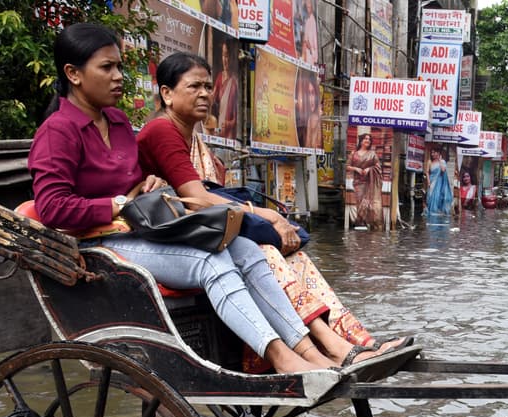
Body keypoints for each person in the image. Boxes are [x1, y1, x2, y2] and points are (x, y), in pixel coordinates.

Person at [29, 23, 339, 375]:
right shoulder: (57, 131)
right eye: (106, 67)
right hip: (100, 242)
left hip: (141, 230)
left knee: (246, 250)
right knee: (212, 262)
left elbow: (131, 181)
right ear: (73, 74)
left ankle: (306, 351)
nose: (118, 76)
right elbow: (52, 208)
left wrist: (145, 183)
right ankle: (281, 358)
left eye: (119, 66)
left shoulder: (116, 122)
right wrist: (116, 204)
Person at [136, 52, 404, 365]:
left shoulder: (192, 137)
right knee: (267, 252)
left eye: (208, 87)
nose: (205, 94)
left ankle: (352, 339)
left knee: (295, 257)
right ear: (167, 93)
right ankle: (328, 347)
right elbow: (197, 196)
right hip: (174, 240)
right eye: (194, 86)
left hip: (204, 232)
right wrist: (268, 214)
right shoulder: (161, 131)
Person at [346, 129, 384, 229]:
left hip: (369, 182)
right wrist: (356, 169)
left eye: (369, 139)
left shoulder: (372, 154)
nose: (367, 140)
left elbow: (378, 167)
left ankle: (370, 223)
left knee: (369, 203)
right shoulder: (354, 153)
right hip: (358, 183)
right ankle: (360, 222)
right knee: (360, 202)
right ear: (361, 140)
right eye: (365, 138)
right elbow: (347, 166)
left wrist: (369, 169)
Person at [211, 35, 238, 140]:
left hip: (230, 132)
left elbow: (236, 119)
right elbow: (213, 98)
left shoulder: (234, 82)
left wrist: (228, 124)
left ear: (232, 58)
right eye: (223, 55)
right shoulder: (219, 77)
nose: (225, 60)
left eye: (227, 56)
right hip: (219, 127)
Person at [295, 70, 322, 150]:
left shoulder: (316, 118)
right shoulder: (299, 122)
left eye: (312, 93)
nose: (311, 99)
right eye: (308, 93)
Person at [426, 146, 452, 216]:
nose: (432, 154)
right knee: (430, 198)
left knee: (438, 197)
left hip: (439, 183)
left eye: (434, 152)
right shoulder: (429, 162)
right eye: (431, 153)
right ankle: (431, 213)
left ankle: (437, 213)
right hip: (431, 182)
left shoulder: (442, 161)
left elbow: (443, 170)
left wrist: (440, 161)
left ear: (438, 153)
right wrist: (428, 182)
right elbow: (427, 172)